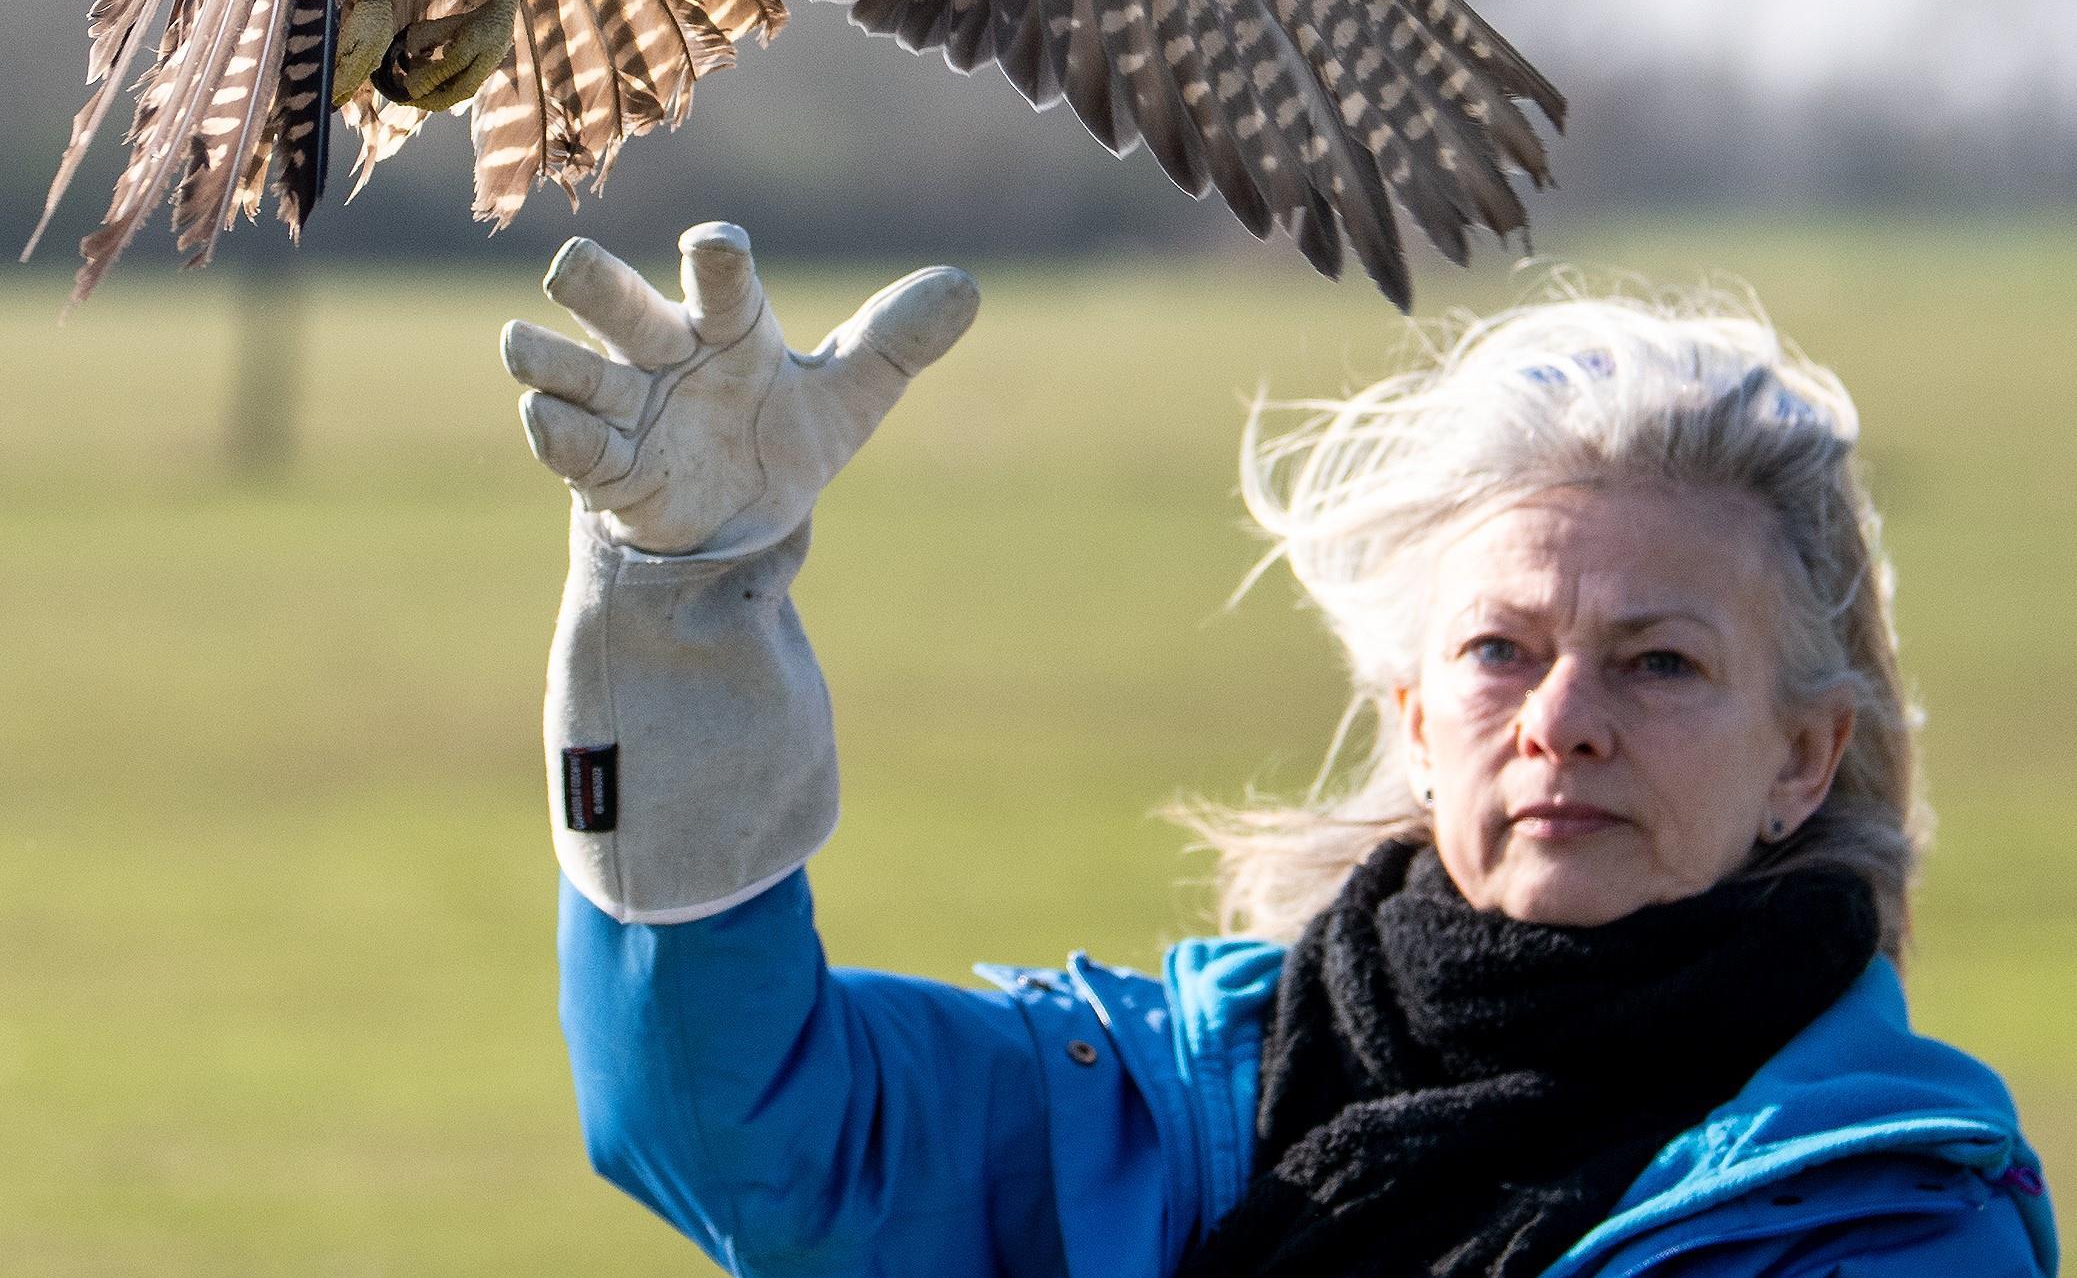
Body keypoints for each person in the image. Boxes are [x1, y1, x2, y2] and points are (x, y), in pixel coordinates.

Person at [500, 223, 2057, 1278]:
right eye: (1497, 651)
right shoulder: (1182, 1087)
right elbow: (736, 1124)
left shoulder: (1890, 1215)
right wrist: (681, 610)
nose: (1561, 717)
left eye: (1658, 662)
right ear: (1412, 720)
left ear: (1804, 755)